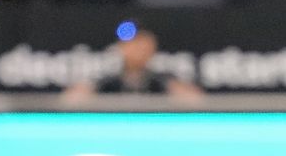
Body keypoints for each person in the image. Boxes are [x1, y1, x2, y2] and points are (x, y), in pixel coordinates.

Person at [62, 29, 204, 102]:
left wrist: (173, 88)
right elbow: (70, 99)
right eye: (134, 46)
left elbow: (197, 101)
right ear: (121, 48)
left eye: (144, 47)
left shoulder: (163, 80)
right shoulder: (108, 81)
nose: (139, 51)